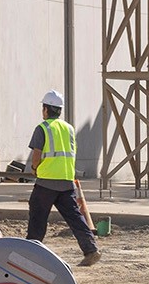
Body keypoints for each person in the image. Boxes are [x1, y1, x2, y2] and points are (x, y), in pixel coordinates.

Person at [26, 89, 101, 266]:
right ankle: (90, 250)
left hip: (46, 183)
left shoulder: (42, 128)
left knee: (37, 218)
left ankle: (29, 254)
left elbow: (37, 155)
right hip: (66, 182)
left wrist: (34, 168)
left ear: (46, 109)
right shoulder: (69, 129)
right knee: (75, 218)